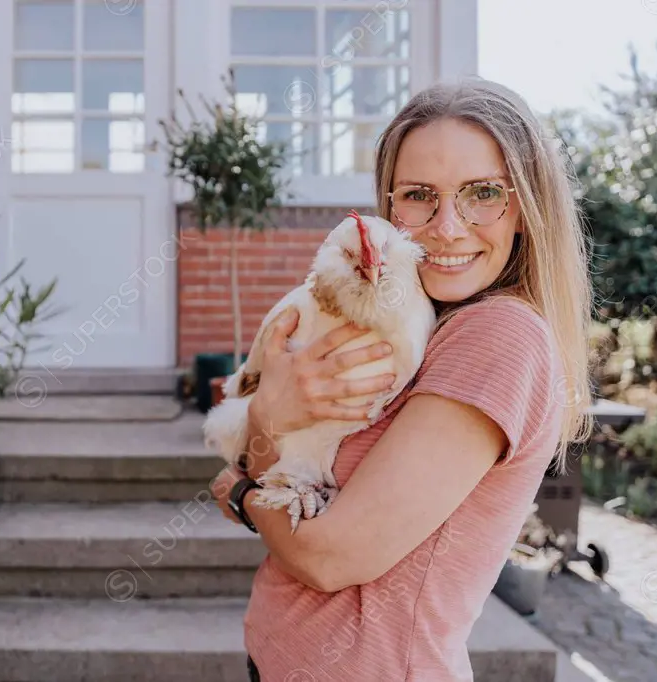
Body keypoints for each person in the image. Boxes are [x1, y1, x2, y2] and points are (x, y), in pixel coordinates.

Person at [211, 77, 594, 682]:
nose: (447, 226)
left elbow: (331, 556)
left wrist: (237, 490)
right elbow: (269, 473)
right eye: (419, 195)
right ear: (389, 206)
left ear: (524, 209)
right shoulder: (416, 322)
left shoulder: (500, 336)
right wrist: (267, 421)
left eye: (483, 193)